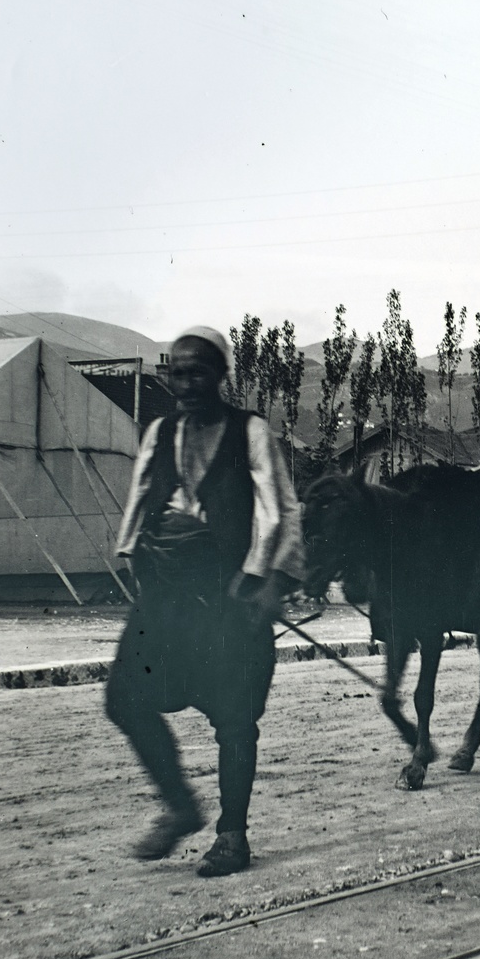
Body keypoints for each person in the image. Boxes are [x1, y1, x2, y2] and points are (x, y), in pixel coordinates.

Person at [106, 326, 304, 876]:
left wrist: (263, 580)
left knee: (235, 718)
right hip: (167, 598)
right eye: (177, 371)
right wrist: (136, 551)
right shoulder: (159, 431)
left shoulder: (250, 431)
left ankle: (232, 836)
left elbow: (280, 508)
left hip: (229, 597)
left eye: (199, 371)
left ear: (221, 377)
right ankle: (181, 807)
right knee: (124, 699)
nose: (186, 382)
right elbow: (142, 494)